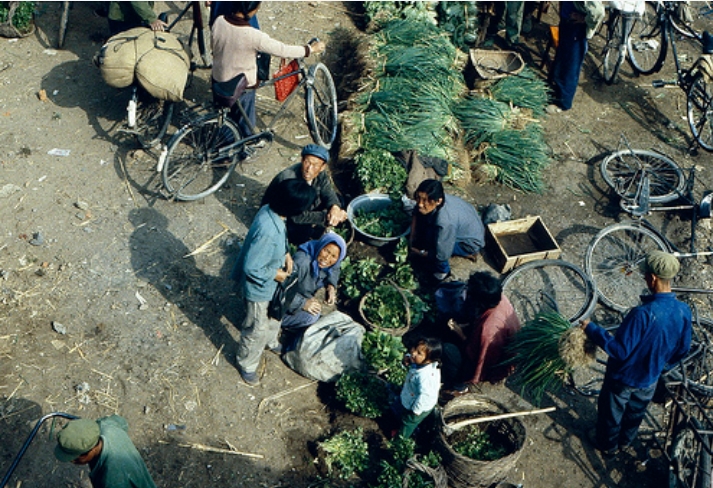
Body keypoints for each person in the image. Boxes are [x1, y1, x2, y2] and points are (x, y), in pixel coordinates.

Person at [581, 250, 692, 456]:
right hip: (650, 378)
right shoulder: (684, 310)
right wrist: (661, 366)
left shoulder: (642, 314)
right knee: (636, 412)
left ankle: (607, 445)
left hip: (623, 377)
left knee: (612, 413)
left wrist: (593, 329)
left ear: (652, 278)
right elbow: (683, 349)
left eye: (645, 275)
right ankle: (625, 442)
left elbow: (619, 350)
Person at [232, 178, 317, 386]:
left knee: (275, 314)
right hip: (259, 287)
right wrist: (275, 274)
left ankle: (270, 341)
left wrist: (286, 254)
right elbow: (251, 267)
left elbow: (281, 239)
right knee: (256, 328)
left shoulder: (273, 212)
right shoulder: (268, 231)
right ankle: (247, 363)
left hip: (270, 284)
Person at [211, 1, 325, 136]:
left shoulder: (218, 22)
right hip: (241, 87)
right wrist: (310, 49)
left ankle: (224, 137)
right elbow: (283, 50)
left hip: (218, 78)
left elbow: (214, 47)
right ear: (251, 11)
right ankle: (243, 149)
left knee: (227, 116)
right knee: (245, 123)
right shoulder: (254, 36)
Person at [440, 271, 521, 396]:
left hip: (494, 362)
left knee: (448, 350)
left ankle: (459, 387)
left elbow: (477, 358)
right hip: (493, 344)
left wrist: (459, 332)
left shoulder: (488, 331)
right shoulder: (499, 298)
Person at [262, 144, 347, 245]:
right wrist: (325, 217)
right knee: (302, 232)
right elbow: (296, 216)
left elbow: (328, 191)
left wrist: (335, 208)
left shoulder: (321, 174)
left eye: (315, 165)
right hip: (284, 214)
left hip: (303, 204)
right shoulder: (288, 179)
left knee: (339, 201)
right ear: (302, 160)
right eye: (307, 162)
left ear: (322, 167)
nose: (309, 169)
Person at [409, 179, 485, 282]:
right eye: (418, 198)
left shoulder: (445, 222)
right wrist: (412, 236)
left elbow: (441, 254)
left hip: (470, 242)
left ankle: (443, 273)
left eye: (426, 200)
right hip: (467, 224)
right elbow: (416, 212)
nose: (420, 204)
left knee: (435, 244)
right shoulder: (439, 199)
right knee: (427, 229)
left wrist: (421, 253)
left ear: (438, 201)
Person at [54, 416, 156, 488]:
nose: (73, 462)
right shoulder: (106, 426)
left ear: (91, 450)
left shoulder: (112, 479)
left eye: (75, 458)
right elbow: (121, 422)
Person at [281, 232, 347, 331]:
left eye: (333, 256)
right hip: (281, 303)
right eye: (326, 251)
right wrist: (303, 304)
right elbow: (280, 290)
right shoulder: (302, 262)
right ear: (321, 246)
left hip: (299, 293)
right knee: (312, 317)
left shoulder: (325, 262)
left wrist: (331, 286)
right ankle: (277, 324)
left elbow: (335, 268)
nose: (327, 258)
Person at [547, 1, 604, 113]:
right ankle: (557, 90)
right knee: (562, 59)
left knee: (571, 66)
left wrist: (585, 19)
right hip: (567, 23)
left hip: (576, 29)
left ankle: (563, 103)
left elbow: (598, 12)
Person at [398, 337, 442, 438]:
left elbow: (425, 396)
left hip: (420, 406)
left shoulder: (425, 377)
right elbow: (412, 357)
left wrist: (415, 411)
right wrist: (408, 358)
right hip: (412, 395)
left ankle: (400, 439)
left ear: (429, 360)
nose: (413, 353)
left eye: (419, 353)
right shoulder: (419, 362)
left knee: (408, 423)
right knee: (405, 415)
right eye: (414, 349)